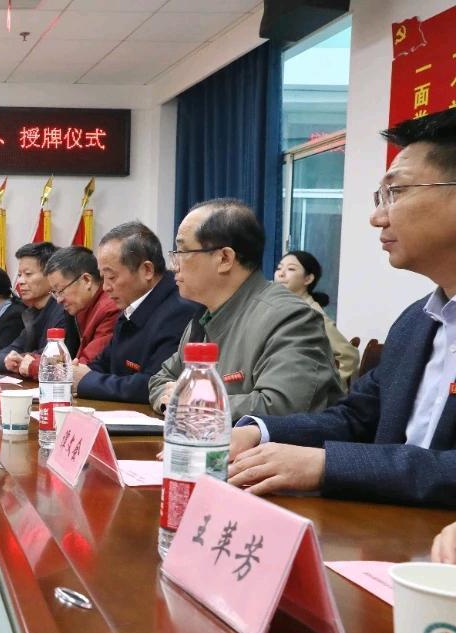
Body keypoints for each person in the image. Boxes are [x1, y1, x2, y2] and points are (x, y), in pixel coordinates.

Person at [228, 110, 456, 507]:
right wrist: (258, 432)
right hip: (386, 532)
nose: (376, 217)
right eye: (379, 198)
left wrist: (328, 465)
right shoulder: (416, 322)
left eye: (396, 192)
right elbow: (355, 419)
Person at [147, 199, 343, 421]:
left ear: (224, 259)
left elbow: (282, 407)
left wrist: (194, 402)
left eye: (182, 251)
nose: (173, 265)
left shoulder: (289, 319)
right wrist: (174, 401)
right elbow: (161, 379)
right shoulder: (205, 316)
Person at [73, 222, 199, 403]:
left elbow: (154, 383)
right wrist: (78, 372)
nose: (105, 287)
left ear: (147, 270)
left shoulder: (180, 310)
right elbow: (105, 362)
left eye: (111, 277)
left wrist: (87, 381)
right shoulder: (132, 304)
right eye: (103, 278)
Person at [22, 246, 120, 381]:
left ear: (86, 280)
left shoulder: (110, 309)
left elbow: (84, 368)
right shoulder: (81, 307)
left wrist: (34, 365)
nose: (59, 300)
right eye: (55, 293)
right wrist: (29, 359)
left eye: (60, 290)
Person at [274, 250, 360, 387]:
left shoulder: (311, 313)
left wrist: (325, 386)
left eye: (291, 269)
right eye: (279, 268)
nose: (281, 274)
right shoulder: (279, 308)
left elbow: (349, 356)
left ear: (308, 279)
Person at [0, 242, 77, 375]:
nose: (20, 281)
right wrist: (10, 359)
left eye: (28, 274)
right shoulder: (32, 312)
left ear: (51, 275)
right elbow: (12, 351)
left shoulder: (64, 310)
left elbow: (53, 359)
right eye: (19, 275)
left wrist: (19, 359)